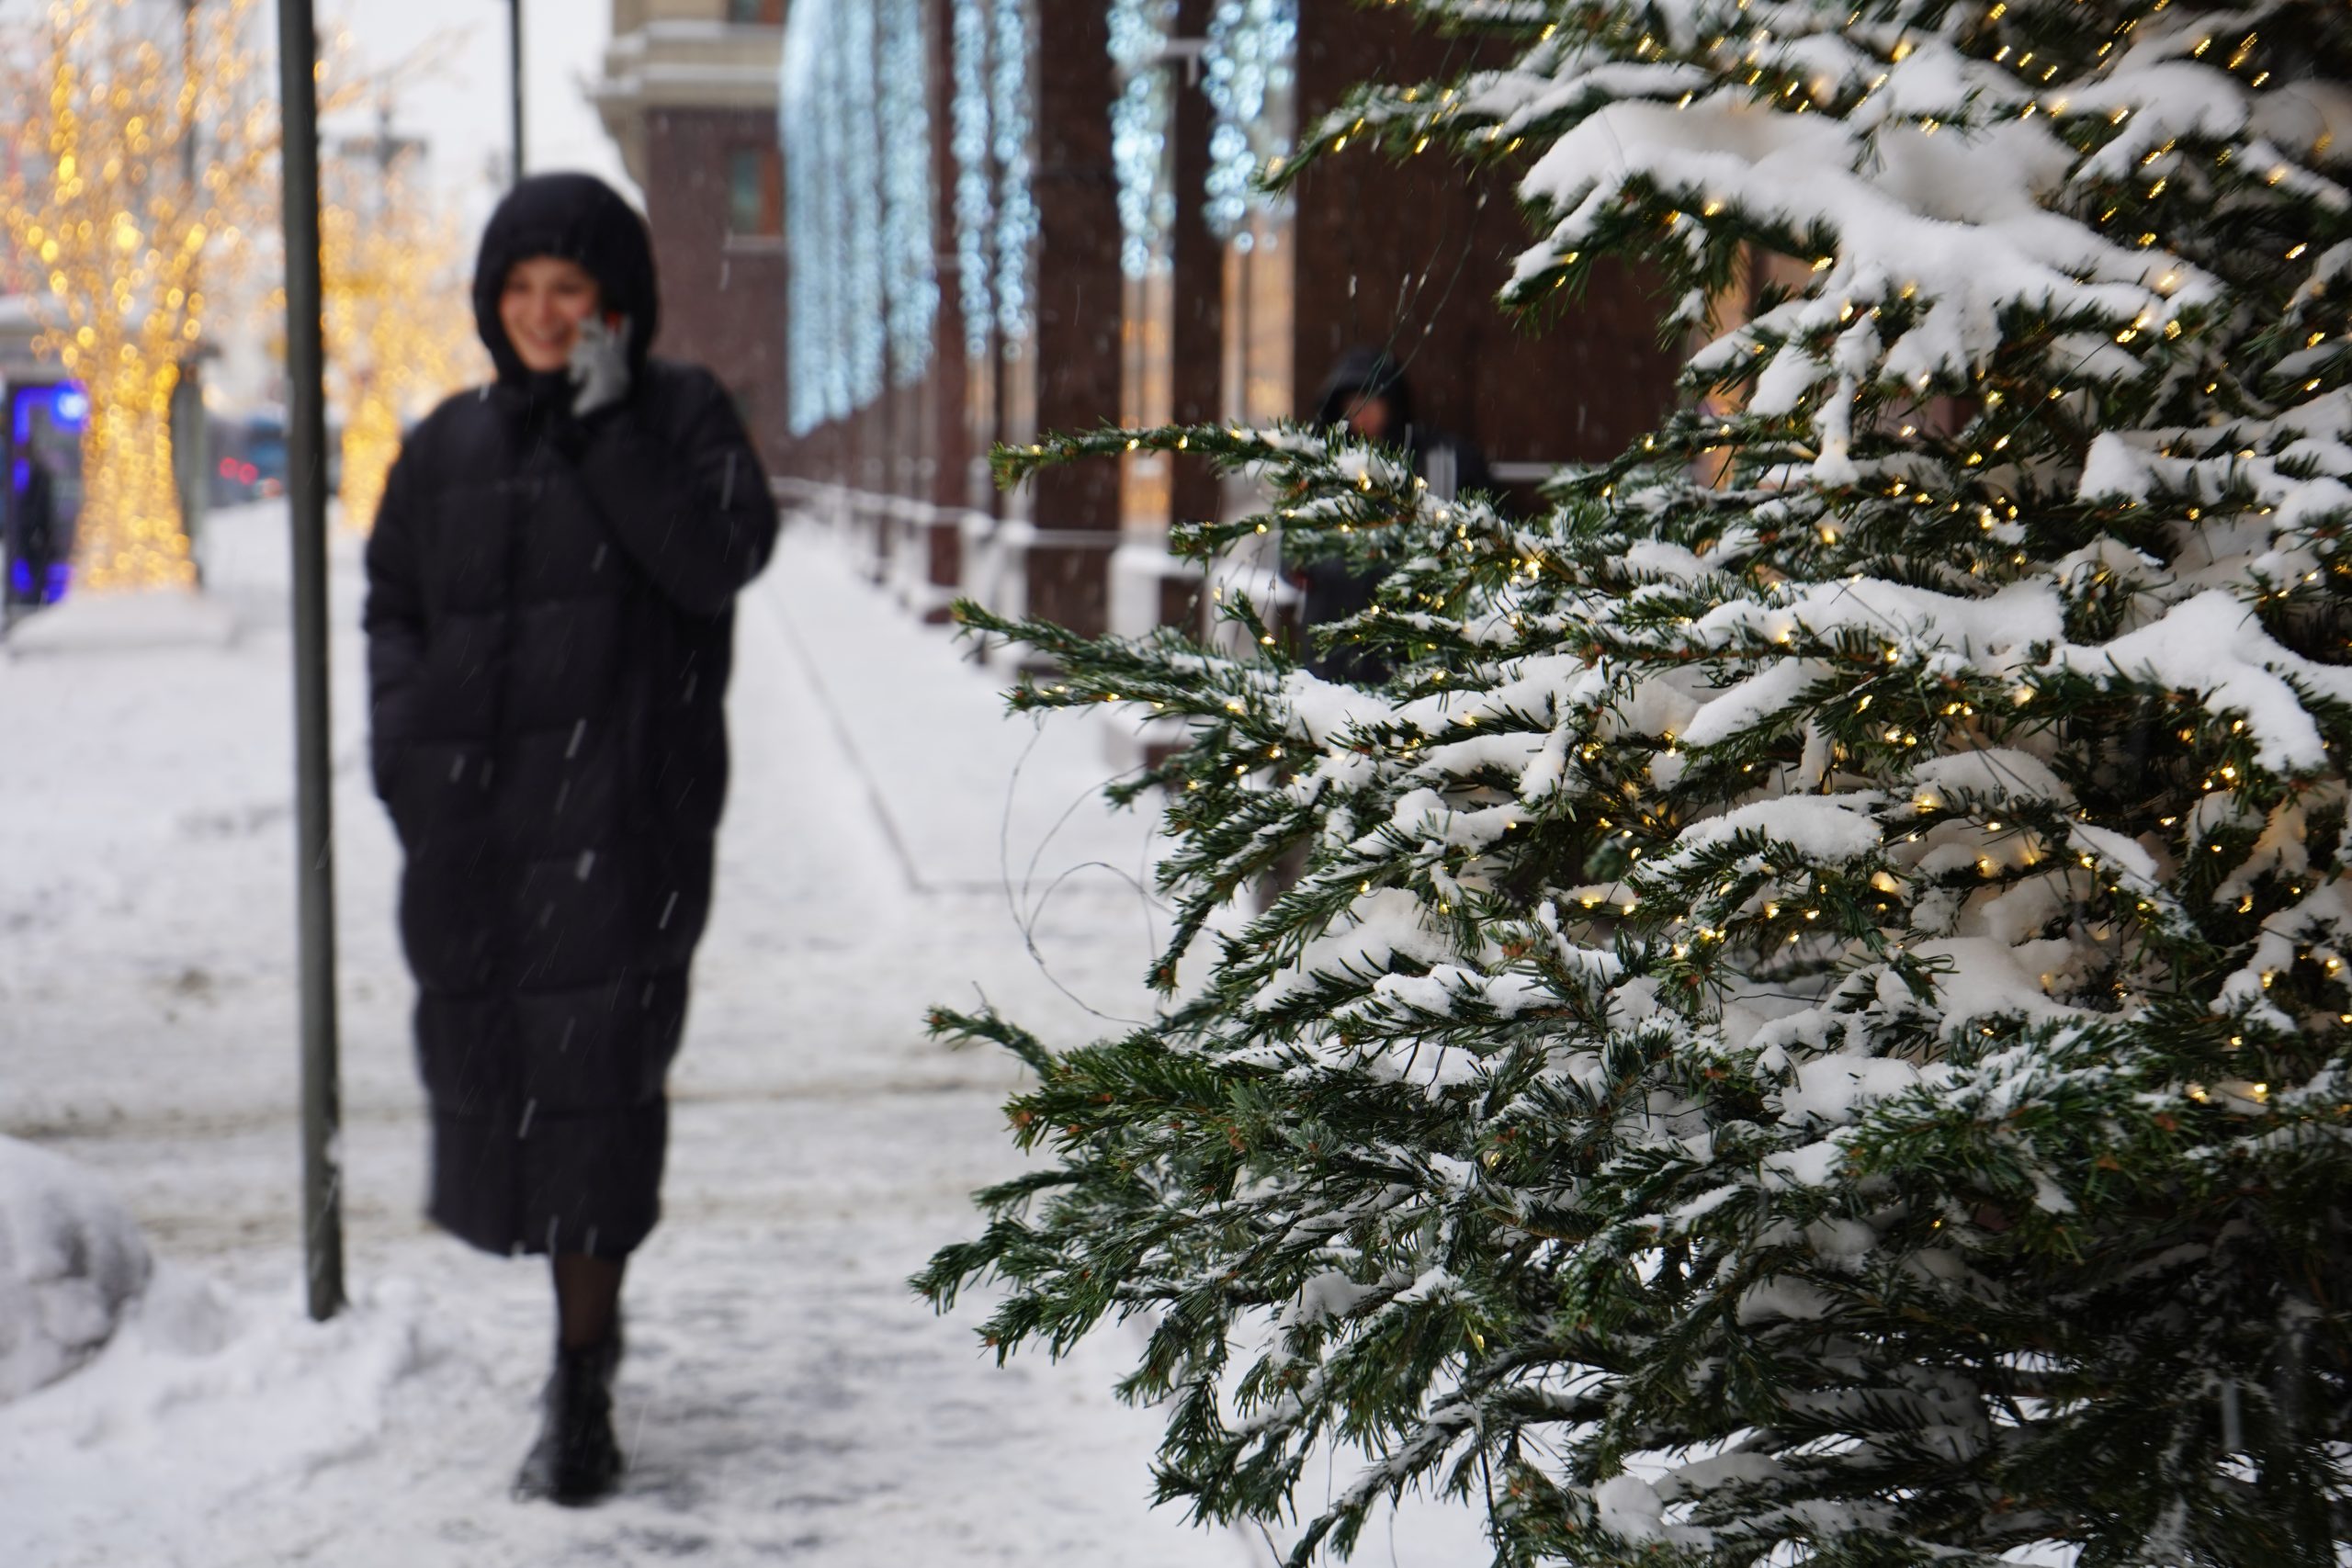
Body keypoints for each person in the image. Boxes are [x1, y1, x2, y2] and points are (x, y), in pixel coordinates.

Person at [363, 173, 779, 1506]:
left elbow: (716, 563)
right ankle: (575, 1340)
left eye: (571, 288)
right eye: (520, 287)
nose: (543, 312)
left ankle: (580, 1370)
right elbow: (392, 603)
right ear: (494, 301)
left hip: (620, 830)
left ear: (616, 303)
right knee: (508, 1092)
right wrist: (404, 746)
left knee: (598, 1102)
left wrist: (608, 436)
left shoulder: (680, 413)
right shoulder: (445, 445)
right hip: (479, 840)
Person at [1293, 347, 1493, 684]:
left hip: (1419, 643)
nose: (1361, 415)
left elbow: (1489, 534)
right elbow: (1293, 552)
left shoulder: (1442, 461)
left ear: (1392, 402)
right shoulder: (1323, 470)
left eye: (1370, 402)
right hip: (1334, 648)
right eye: (1351, 405)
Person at [15, 452, 58, 612]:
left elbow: (41, 509)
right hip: (32, 529)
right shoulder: (36, 473)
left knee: (35, 564)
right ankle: (34, 597)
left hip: (33, 529)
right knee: (35, 564)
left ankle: (33, 598)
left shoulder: (37, 474)